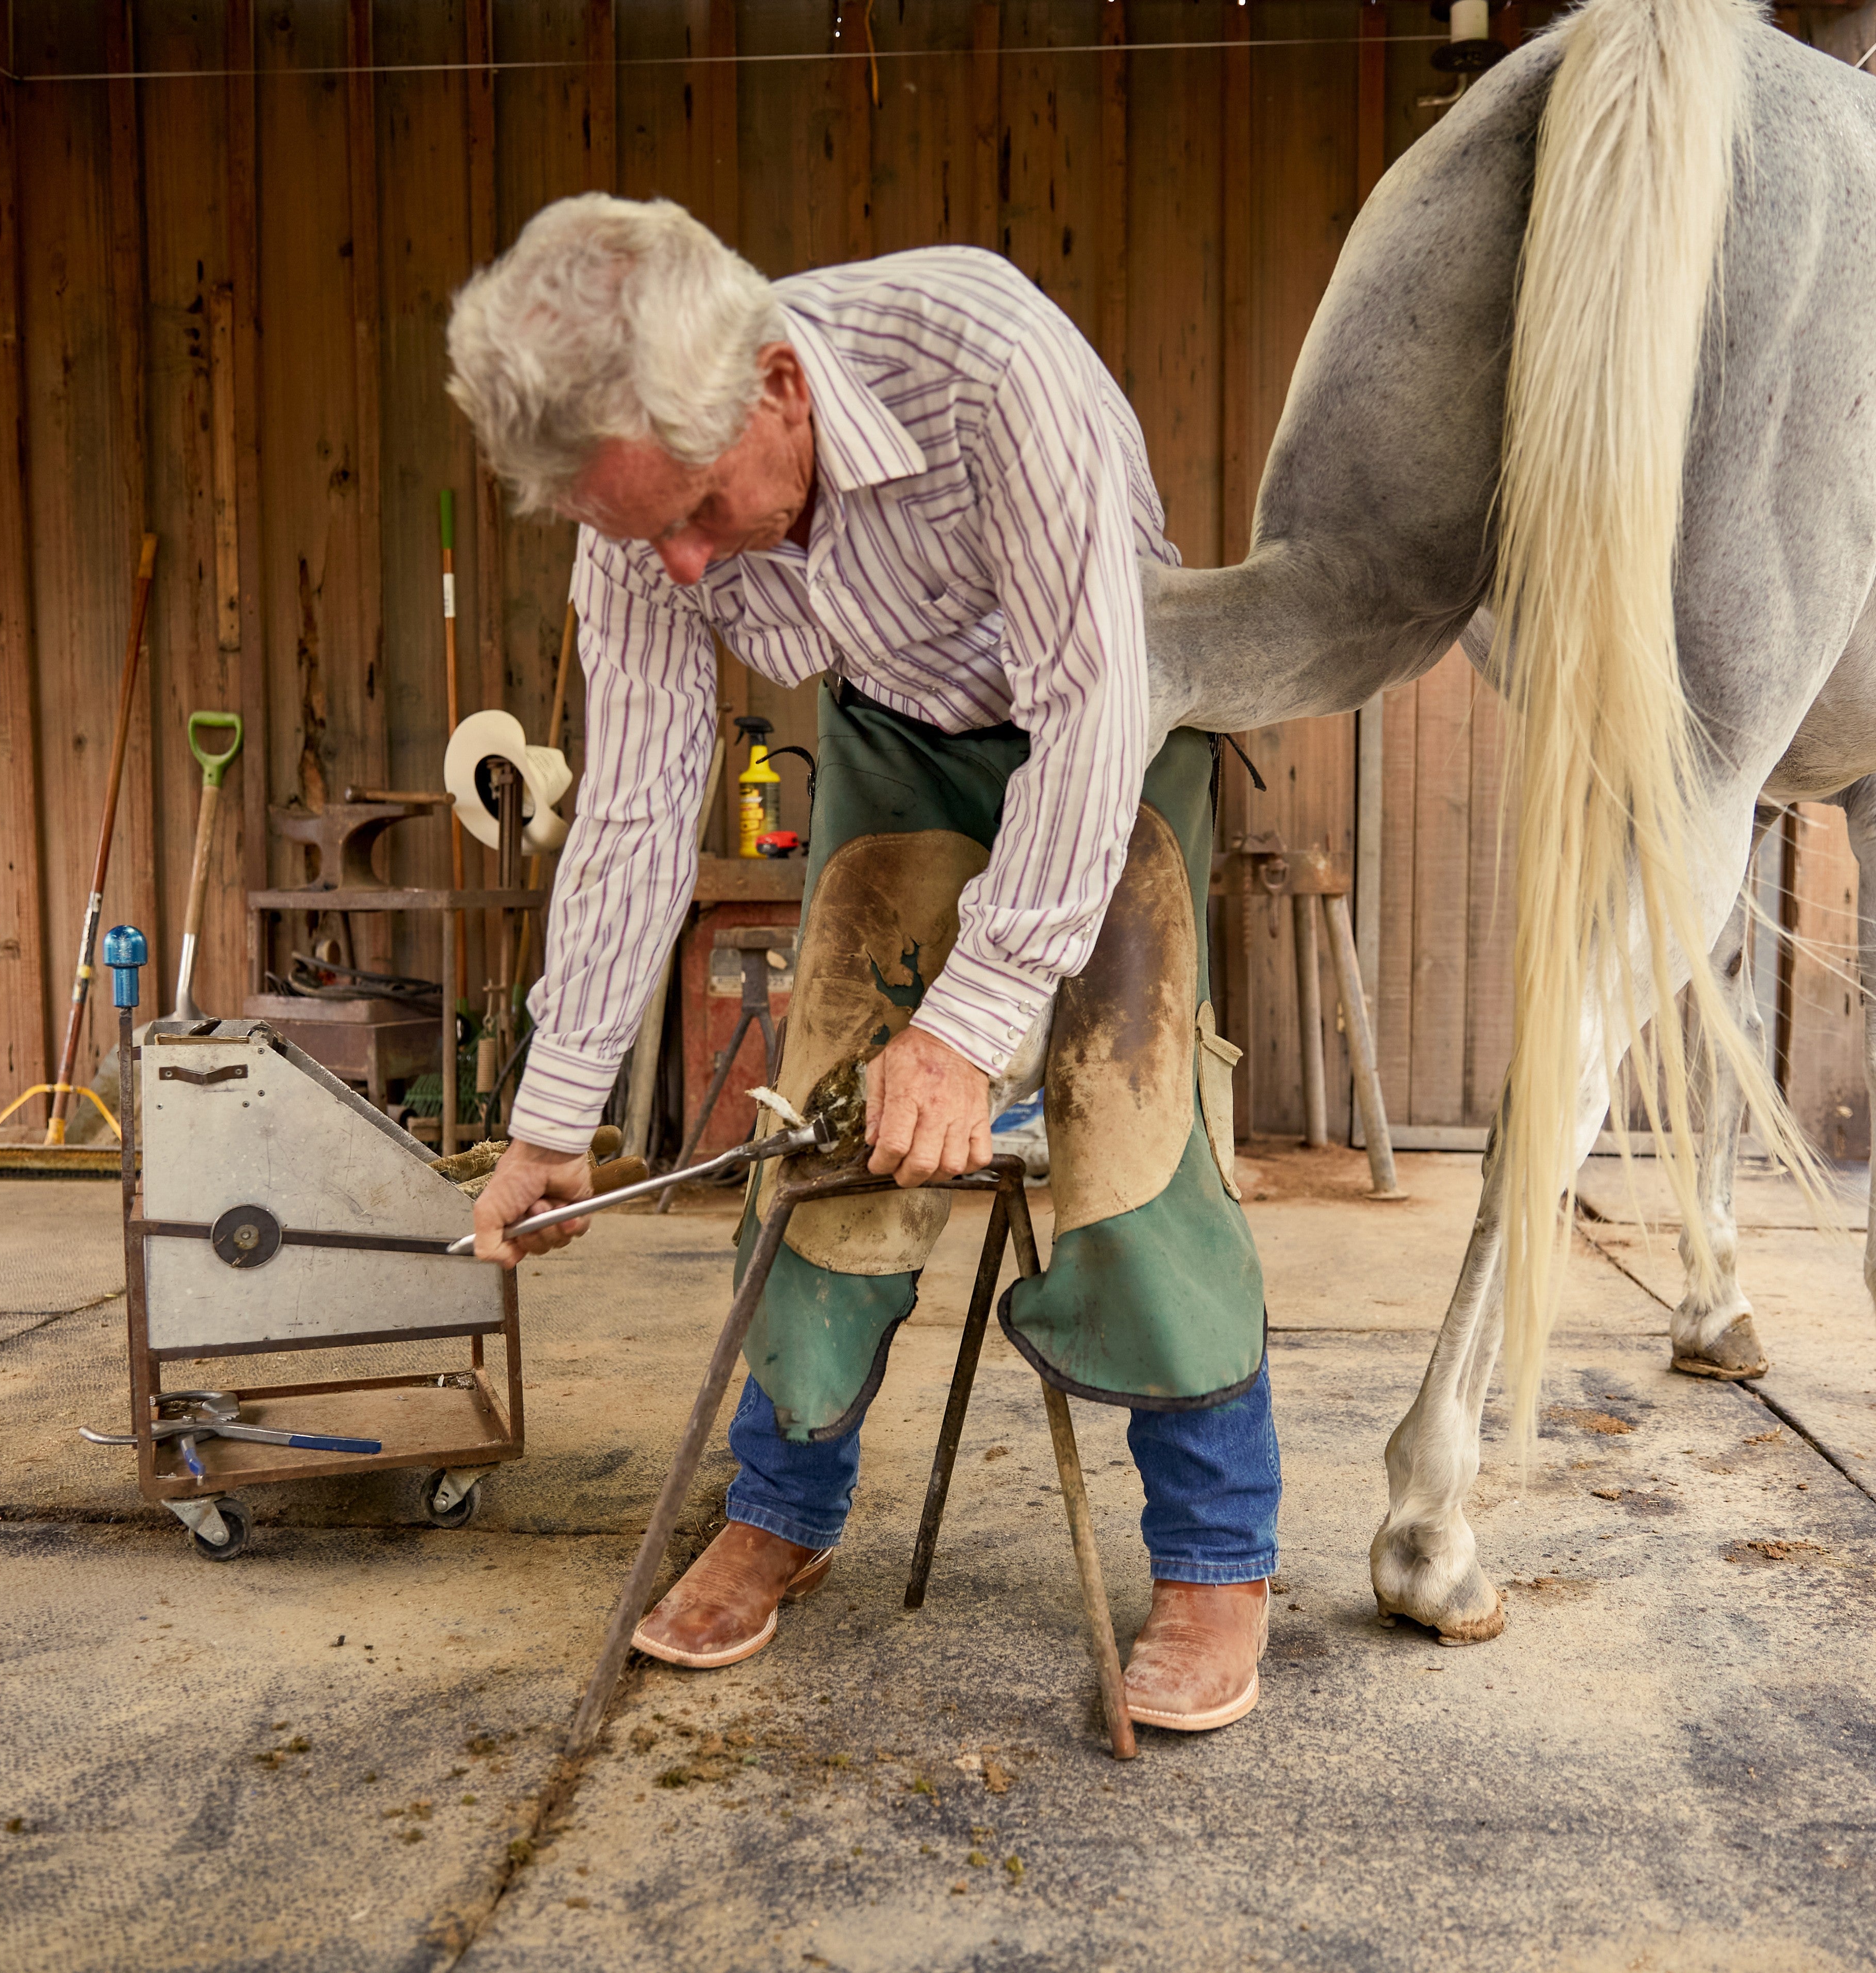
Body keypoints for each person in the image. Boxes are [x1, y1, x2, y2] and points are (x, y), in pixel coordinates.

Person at [446, 194, 1278, 1731]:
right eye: (640, 535)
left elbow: (1093, 705)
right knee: (824, 1123)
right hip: (897, 735)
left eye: (698, 512)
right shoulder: (640, 499)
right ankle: (783, 1506)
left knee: (1130, 1125)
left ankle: (1218, 1557)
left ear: (776, 384)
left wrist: (966, 1033)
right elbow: (636, 802)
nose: (680, 565)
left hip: (1116, 720)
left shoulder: (989, 364)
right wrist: (554, 1116)